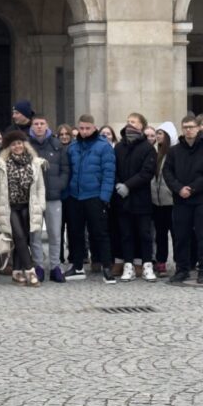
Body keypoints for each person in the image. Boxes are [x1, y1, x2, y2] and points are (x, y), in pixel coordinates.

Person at [164, 116, 203, 284]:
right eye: (185, 127)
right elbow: (167, 172)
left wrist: (193, 188)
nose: (188, 130)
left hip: (202, 199)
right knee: (181, 235)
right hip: (181, 199)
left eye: (191, 127)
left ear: (198, 128)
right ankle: (182, 268)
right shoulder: (174, 150)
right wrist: (179, 188)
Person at [0, 130, 47, 287]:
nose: (17, 146)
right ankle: (30, 271)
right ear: (9, 147)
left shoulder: (35, 163)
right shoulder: (1, 164)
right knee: (19, 237)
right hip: (10, 207)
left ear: (24, 144)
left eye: (19, 143)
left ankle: (16, 272)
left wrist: (41, 206)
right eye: (13, 144)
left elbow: (40, 187)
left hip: (28, 206)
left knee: (24, 239)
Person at [65, 114, 117, 284]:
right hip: (75, 196)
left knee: (100, 233)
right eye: (82, 128)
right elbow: (69, 172)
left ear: (94, 127)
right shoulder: (73, 147)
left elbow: (109, 173)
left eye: (88, 128)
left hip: (95, 196)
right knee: (75, 233)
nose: (85, 131)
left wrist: (104, 197)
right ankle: (78, 266)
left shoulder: (104, 147)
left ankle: (107, 268)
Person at [111, 113, 158, 283]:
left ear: (141, 127)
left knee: (144, 234)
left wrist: (128, 185)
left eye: (133, 122)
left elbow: (147, 172)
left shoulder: (147, 148)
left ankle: (146, 265)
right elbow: (113, 168)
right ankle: (128, 265)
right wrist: (118, 184)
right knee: (126, 234)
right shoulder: (119, 147)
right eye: (128, 121)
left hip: (141, 199)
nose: (130, 124)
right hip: (122, 199)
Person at [26, 115, 70, 283]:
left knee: (55, 233)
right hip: (34, 197)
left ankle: (55, 266)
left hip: (53, 196)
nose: (39, 126)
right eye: (36, 124)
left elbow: (65, 169)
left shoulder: (57, 145)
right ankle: (38, 265)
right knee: (35, 234)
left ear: (47, 125)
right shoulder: (26, 145)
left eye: (41, 124)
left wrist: (59, 185)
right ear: (32, 126)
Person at [150, 122, 178, 277]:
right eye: (157, 133)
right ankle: (161, 262)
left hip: (172, 202)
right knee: (160, 234)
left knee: (176, 234)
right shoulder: (156, 152)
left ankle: (180, 262)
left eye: (160, 133)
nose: (157, 136)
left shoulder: (174, 153)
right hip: (157, 201)